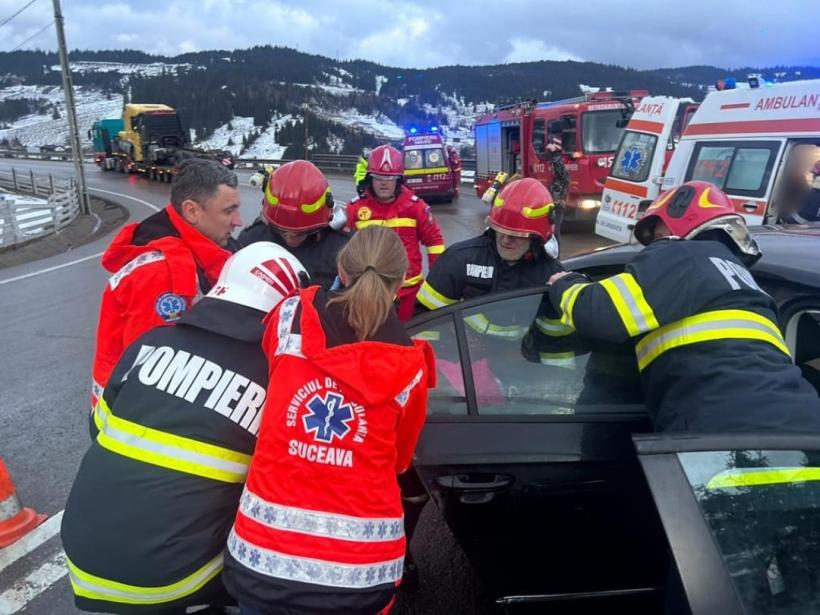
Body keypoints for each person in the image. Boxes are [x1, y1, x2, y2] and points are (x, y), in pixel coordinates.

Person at [62, 243, 308, 615]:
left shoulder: (150, 343)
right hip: (170, 579)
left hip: (81, 558)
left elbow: (98, 430)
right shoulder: (273, 378)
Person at [223, 226, 436, 615]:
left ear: (342, 265)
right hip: (360, 576)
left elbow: (275, 377)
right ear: (402, 282)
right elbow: (400, 461)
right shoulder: (411, 367)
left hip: (264, 560)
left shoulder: (290, 316)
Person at [547, 180, 820, 433]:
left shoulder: (679, 253)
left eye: (656, 232)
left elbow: (598, 314)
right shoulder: (744, 280)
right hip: (801, 426)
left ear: (676, 224)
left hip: (725, 432)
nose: (654, 242)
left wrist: (565, 282)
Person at [91, 159, 242, 410]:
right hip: (131, 420)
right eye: (229, 211)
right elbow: (150, 373)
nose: (239, 221)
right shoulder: (160, 273)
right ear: (192, 211)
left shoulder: (208, 250)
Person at [347, 144, 445, 320]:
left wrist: (437, 281)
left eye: (390, 177)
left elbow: (435, 243)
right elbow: (346, 253)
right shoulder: (355, 209)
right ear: (370, 178)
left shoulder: (416, 207)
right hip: (369, 293)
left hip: (409, 292)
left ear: (399, 180)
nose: (384, 182)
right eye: (378, 177)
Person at [238, 160, 350, 289]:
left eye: (299, 233)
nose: (290, 240)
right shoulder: (252, 241)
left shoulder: (343, 251)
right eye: (282, 231)